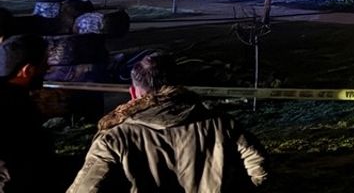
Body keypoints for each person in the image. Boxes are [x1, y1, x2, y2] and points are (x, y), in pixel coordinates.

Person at [66, 52, 269, 192]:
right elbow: (260, 169)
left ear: (134, 92)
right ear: (179, 86)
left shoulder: (114, 139)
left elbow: (86, 188)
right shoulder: (222, 125)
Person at [0, 34, 53, 193]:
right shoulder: (14, 108)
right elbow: (11, 169)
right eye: (44, 64)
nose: (48, 68)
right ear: (27, 70)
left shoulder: (13, 96)